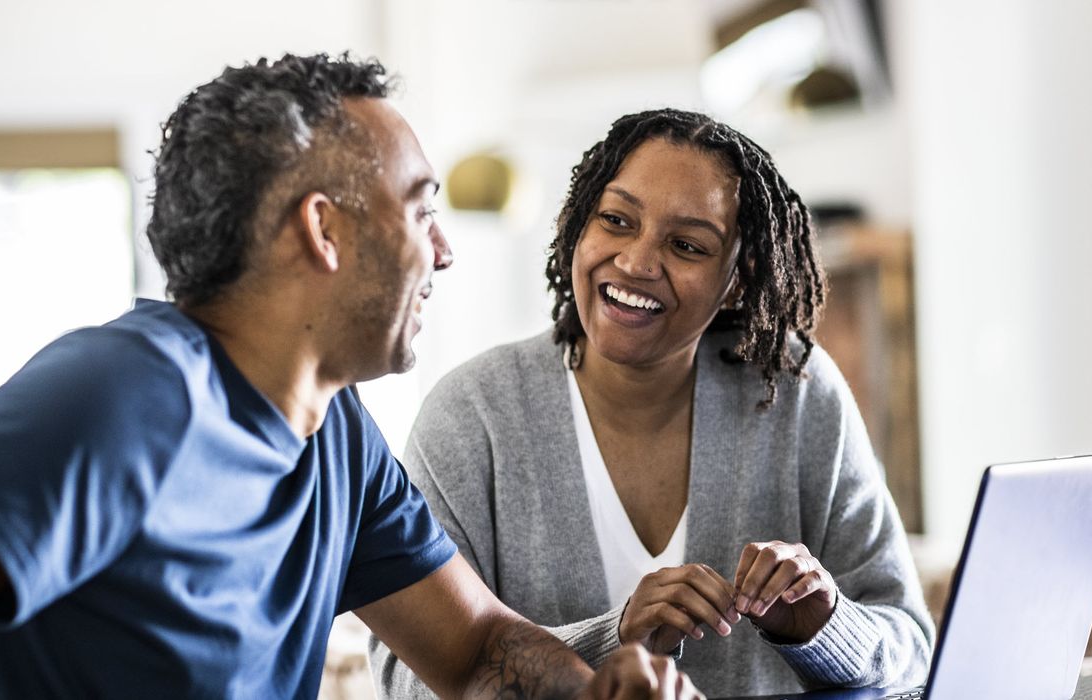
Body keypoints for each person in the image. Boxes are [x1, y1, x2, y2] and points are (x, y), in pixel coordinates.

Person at [0, 54, 703, 700]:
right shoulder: (139, 390)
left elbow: (477, 648)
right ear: (325, 231)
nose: (442, 251)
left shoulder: (335, 434)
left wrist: (598, 688)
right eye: (419, 209)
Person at [371, 109, 934, 698]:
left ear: (737, 278)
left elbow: (913, 650)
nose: (637, 262)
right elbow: (408, 679)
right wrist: (614, 638)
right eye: (616, 220)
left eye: (687, 245)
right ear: (576, 229)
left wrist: (824, 627)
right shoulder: (473, 417)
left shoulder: (795, 390)